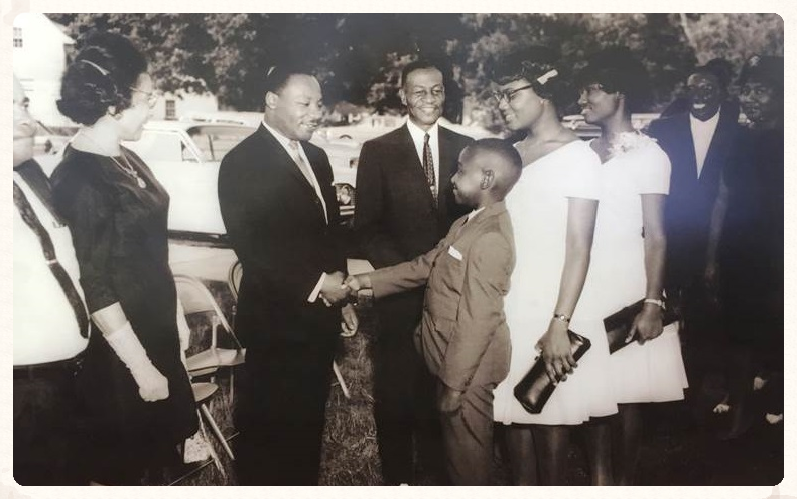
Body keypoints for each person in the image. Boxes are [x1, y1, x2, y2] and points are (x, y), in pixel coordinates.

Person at [50, 31, 198, 485]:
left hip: (155, 333)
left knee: (161, 466)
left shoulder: (128, 158)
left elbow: (152, 250)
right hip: (120, 355)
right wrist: (140, 367)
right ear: (114, 103)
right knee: (128, 472)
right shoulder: (80, 177)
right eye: (148, 96)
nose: (154, 105)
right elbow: (93, 283)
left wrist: (174, 317)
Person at [345, 139, 522, 485]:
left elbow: (477, 320)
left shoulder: (490, 238)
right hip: (448, 356)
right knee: (453, 456)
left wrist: (455, 385)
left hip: (468, 369)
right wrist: (364, 280)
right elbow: (425, 265)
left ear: (486, 179)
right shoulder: (467, 224)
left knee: (467, 463)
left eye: (461, 171)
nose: (452, 179)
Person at [218, 63, 357, 485]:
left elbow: (330, 234)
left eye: (319, 102)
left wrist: (342, 291)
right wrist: (319, 285)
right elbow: (256, 249)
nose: (317, 112)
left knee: (306, 428)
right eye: (305, 103)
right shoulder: (242, 162)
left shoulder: (316, 157)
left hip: (318, 320)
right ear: (271, 101)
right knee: (267, 436)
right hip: (275, 326)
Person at [488, 47, 616, 486]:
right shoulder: (508, 154)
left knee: (550, 418)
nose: (502, 105)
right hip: (511, 300)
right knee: (511, 419)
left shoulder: (579, 158)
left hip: (556, 303)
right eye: (498, 97)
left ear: (543, 94)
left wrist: (560, 323)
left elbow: (580, 246)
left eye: (509, 95)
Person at [352, 58, 474, 484]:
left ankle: (442, 479)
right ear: (403, 97)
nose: (429, 98)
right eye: (419, 91)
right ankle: (399, 480)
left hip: (455, 294)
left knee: (445, 386)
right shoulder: (378, 151)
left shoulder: (466, 147)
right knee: (397, 391)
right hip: (400, 295)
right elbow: (365, 229)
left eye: (437, 90)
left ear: (446, 93)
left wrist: (446, 270)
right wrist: (408, 271)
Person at [576, 47, 688, 485]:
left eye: (592, 89)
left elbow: (656, 236)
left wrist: (651, 303)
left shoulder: (651, 156)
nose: (583, 98)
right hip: (585, 282)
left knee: (627, 394)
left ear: (618, 93)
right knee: (593, 389)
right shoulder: (582, 153)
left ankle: (620, 486)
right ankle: (599, 483)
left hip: (626, 283)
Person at [647, 58, 748, 392]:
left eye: (707, 88)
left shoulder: (740, 133)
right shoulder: (663, 130)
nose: (699, 94)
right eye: (693, 87)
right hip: (670, 239)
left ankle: (702, 399)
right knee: (669, 323)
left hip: (720, 243)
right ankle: (668, 400)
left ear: (722, 92)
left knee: (711, 325)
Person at [13, 75, 90, 486]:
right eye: (11, 105)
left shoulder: (31, 176)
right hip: (21, 395)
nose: (26, 117)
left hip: (64, 381)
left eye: (24, 103)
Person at [709, 55, 784, 438]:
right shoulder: (738, 140)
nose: (752, 97)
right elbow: (723, 197)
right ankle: (740, 412)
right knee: (738, 333)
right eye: (748, 89)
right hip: (740, 250)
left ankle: (778, 399)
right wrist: (711, 257)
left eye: (762, 90)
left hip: (781, 250)